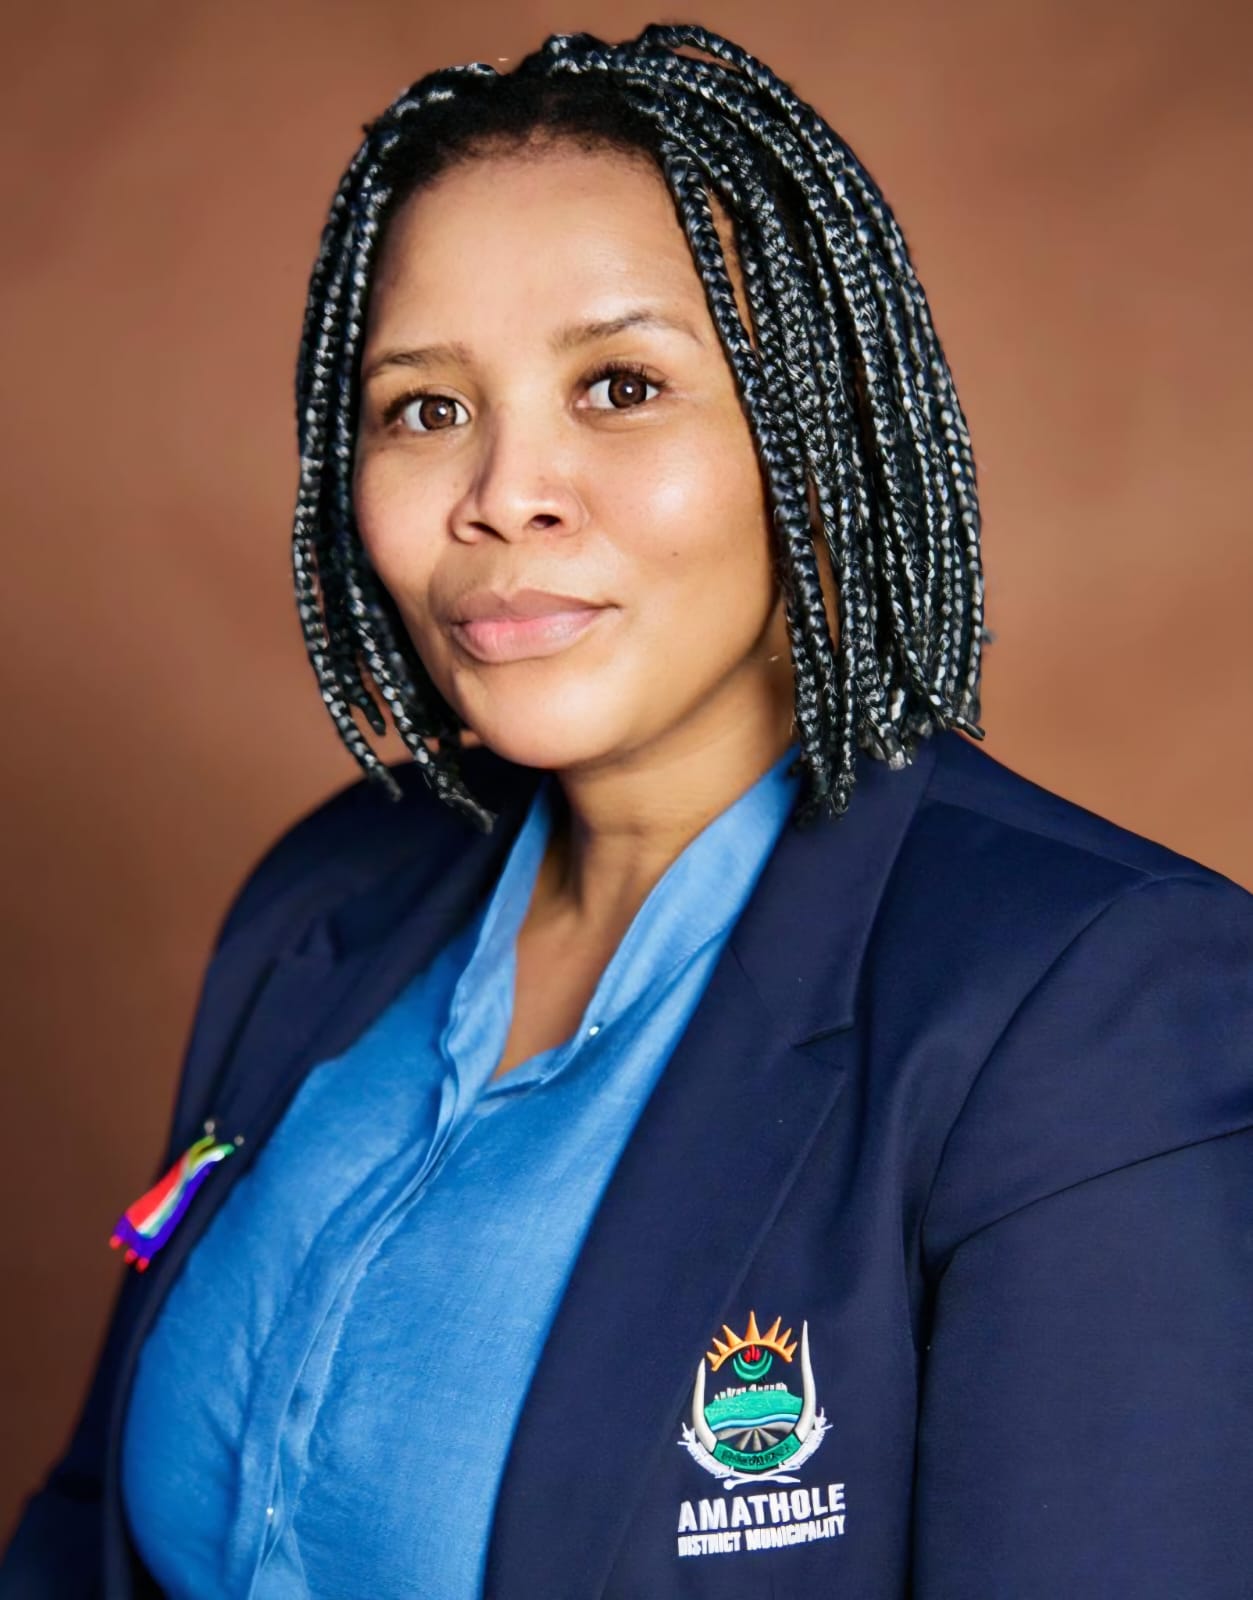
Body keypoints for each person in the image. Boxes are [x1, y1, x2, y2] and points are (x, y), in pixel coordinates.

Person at [3, 21, 1251, 1600]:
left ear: (814, 441)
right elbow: (84, 1533)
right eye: (424, 408)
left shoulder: (1091, 1008)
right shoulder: (329, 892)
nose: (501, 495)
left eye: (619, 385)